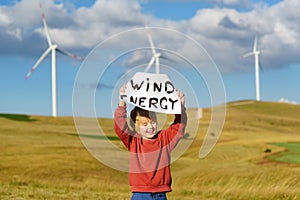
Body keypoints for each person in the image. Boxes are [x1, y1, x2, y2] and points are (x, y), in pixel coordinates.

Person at [114, 84, 187, 200]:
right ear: (135, 126)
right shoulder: (134, 141)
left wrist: (180, 107)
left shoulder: (164, 139)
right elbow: (120, 127)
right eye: (144, 124)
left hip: (160, 195)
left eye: (153, 122)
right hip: (140, 195)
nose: (150, 127)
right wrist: (122, 103)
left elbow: (179, 126)